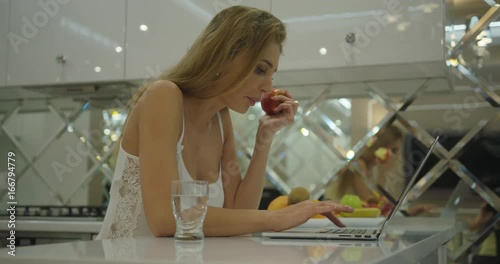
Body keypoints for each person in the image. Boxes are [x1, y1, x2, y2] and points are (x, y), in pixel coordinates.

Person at [96, 6, 353, 239]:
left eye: (272, 74)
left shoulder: (221, 119)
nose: (268, 88)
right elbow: (165, 220)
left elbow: (239, 214)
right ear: (224, 56)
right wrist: (275, 218)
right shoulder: (163, 95)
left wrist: (264, 138)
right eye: (260, 70)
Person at [324, 125, 434, 216]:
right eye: (393, 150)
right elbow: (371, 205)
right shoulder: (359, 165)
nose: (395, 156)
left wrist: (407, 212)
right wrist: (383, 173)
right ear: (381, 147)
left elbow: (379, 208)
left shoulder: (370, 168)